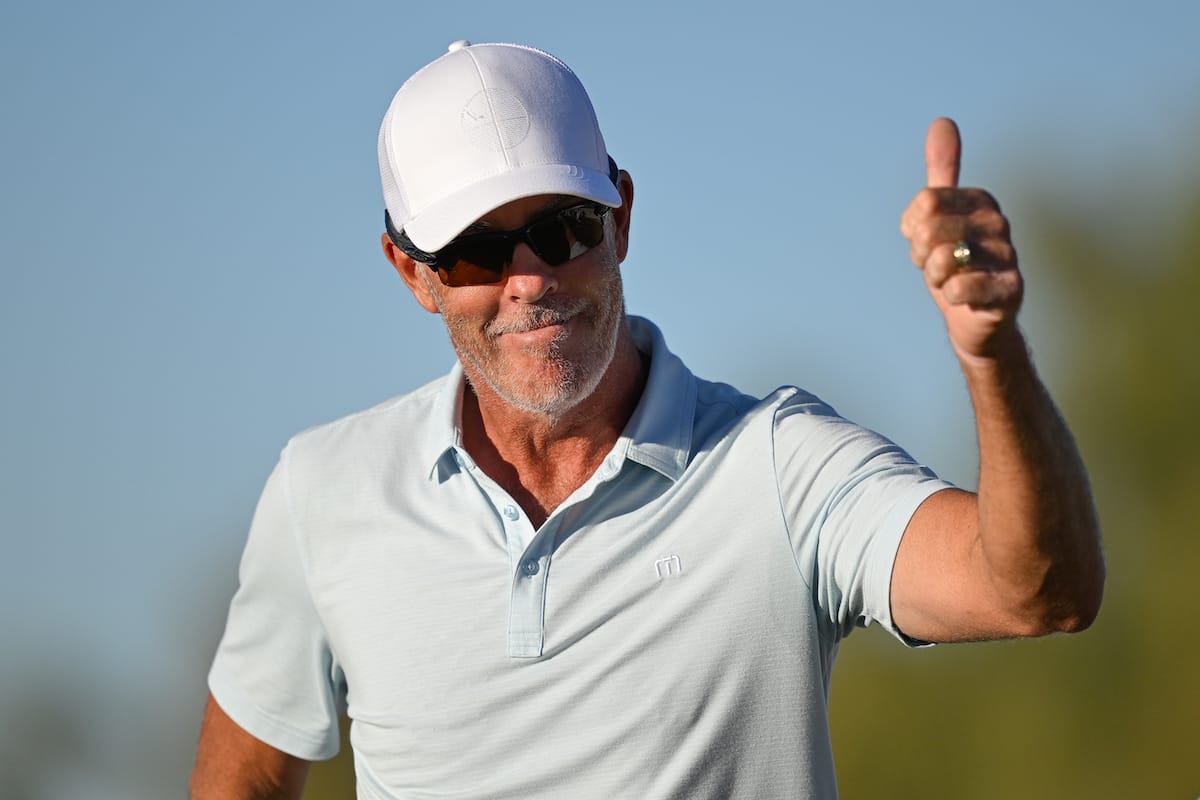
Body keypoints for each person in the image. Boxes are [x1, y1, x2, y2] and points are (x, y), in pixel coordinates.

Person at [190, 40, 1104, 799]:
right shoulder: (322, 491)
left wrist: (992, 355)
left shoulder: (777, 466)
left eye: (563, 228)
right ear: (412, 273)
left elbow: (1037, 591)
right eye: (476, 252)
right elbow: (243, 781)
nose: (530, 280)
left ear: (621, 218)